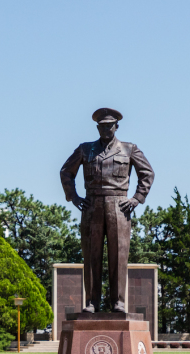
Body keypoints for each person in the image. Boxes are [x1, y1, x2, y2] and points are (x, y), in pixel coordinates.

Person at [60, 107, 155, 313]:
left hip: (119, 206)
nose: (105, 129)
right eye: (102, 126)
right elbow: (66, 172)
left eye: (109, 126)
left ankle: (118, 302)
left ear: (116, 127)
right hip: (92, 205)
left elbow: (147, 173)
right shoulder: (85, 149)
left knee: (119, 255)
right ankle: (92, 302)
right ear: (97, 127)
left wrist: (137, 198)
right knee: (91, 256)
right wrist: (74, 197)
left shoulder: (129, 149)